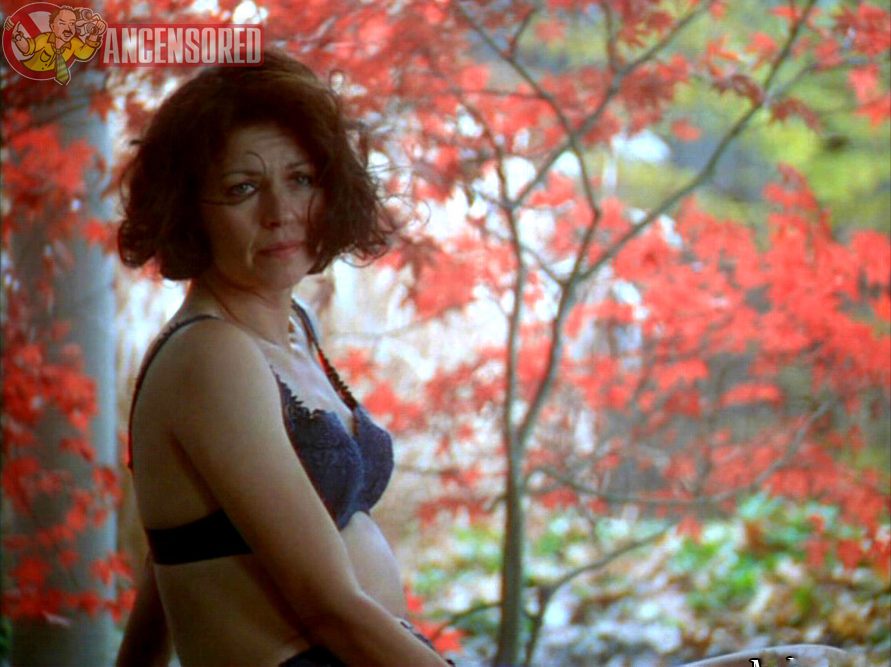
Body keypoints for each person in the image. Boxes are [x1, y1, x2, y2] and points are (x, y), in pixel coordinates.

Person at [115, 50, 454, 667]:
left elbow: (172, 551)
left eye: (301, 179)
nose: (281, 214)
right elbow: (328, 606)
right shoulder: (210, 355)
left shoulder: (291, 326)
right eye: (242, 189)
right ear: (187, 211)